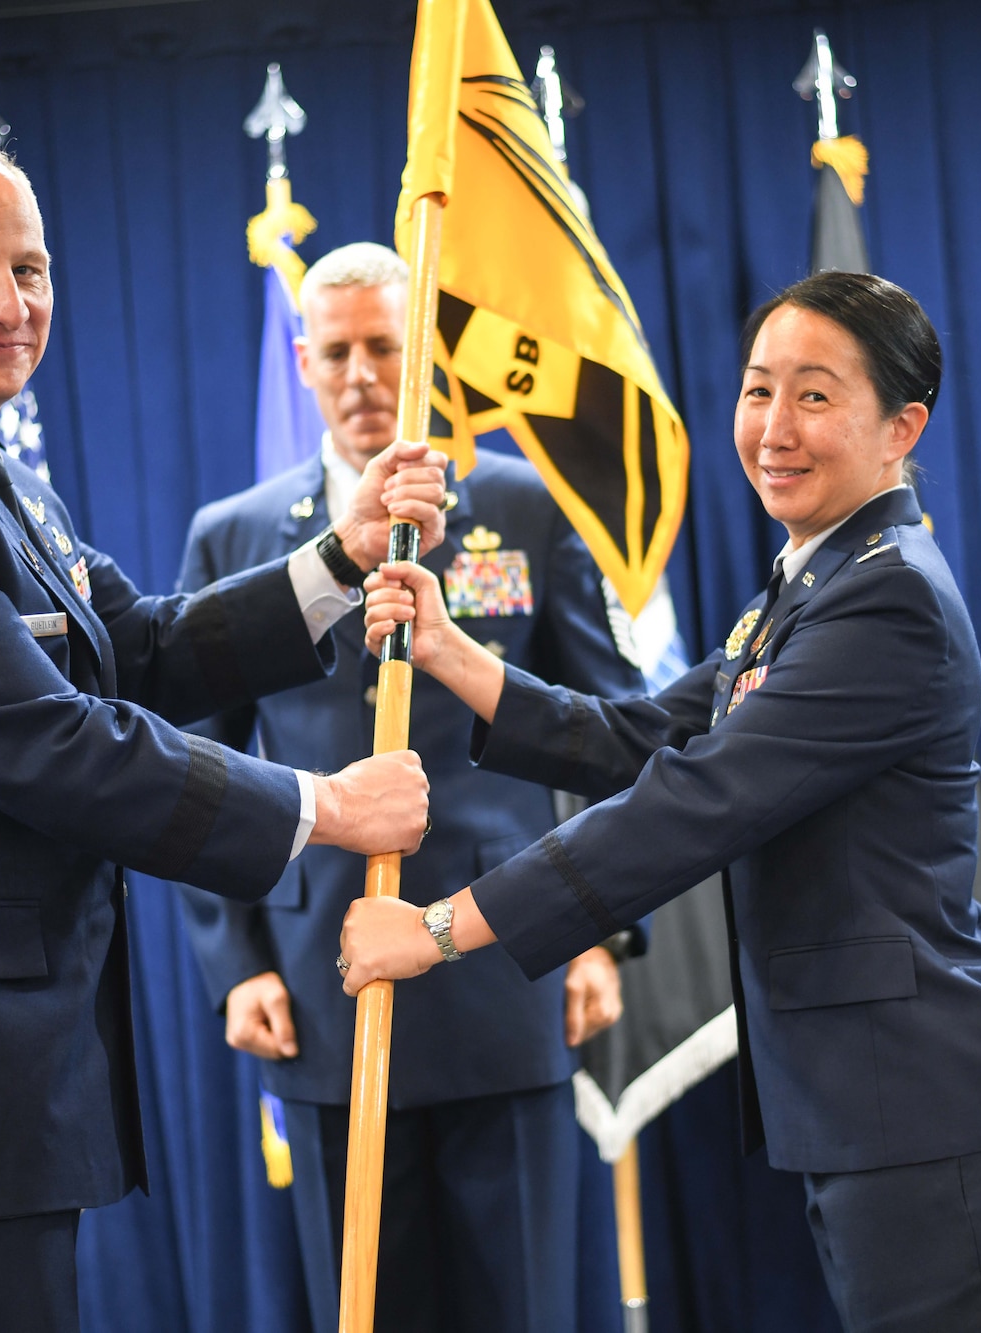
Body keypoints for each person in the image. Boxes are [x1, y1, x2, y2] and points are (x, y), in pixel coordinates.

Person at [0, 133, 448, 1333]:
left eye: (31, 269)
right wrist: (323, 806)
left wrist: (341, 556)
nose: (9, 305)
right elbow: (56, 747)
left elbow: (143, 648)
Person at [341, 271, 981, 1332]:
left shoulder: (887, 598)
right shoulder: (811, 578)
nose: (772, 427)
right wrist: (453, 652)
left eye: (814, 396)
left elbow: (690, 804)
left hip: (932, 1106)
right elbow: (646, 736)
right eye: (755, 389)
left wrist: (438, 928)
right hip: (872, 1104)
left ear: (900, 427)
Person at [176, 241, 644, 1333]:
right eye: (333, 351)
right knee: (365, 1310)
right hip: (322, 976)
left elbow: (610, 737)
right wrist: (233, 961)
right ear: (300, 361)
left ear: (422, 349)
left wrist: (597, 933)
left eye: (382, 346)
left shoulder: (525, 510)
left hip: (507, 963)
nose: (358, 375)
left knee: (517, 1302)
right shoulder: (236, 538)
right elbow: (200, 769)